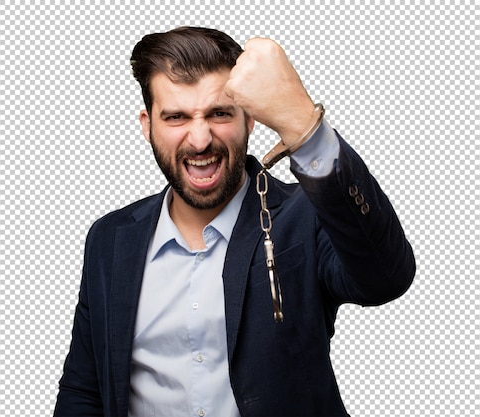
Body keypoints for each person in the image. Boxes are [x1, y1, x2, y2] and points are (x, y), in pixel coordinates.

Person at [54, 26, 415, 417]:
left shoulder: (305, 218)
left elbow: (386, 277)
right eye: (176, 117)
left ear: (250, 119)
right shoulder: (109, 239)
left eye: (219, 113)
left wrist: (304, 128)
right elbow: (84, 389)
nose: (199, 139)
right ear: (147, 125)